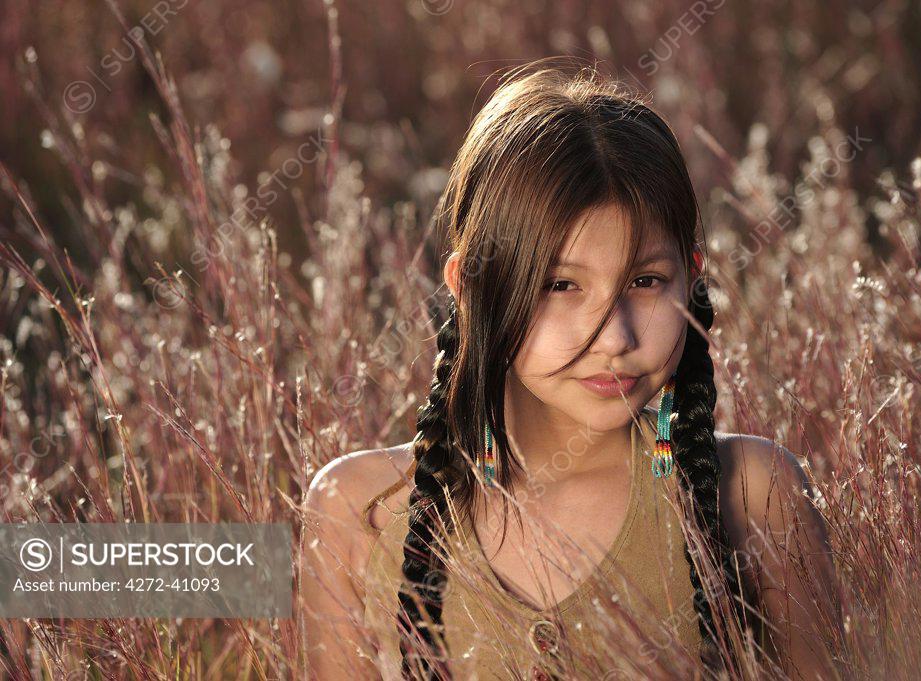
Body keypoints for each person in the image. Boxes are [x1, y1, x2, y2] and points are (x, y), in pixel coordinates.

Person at [301, 61, 844, 680]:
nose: (615, 337)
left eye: (646, 282)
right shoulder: (360, 509)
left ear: (692, 279)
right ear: (470, 287)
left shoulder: (752, 492)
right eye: (559, 285)